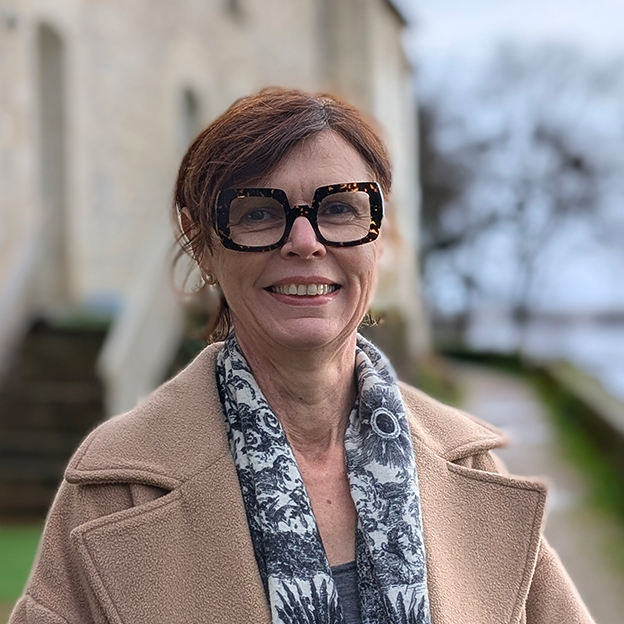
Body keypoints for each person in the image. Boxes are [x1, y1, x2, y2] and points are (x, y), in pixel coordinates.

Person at [10, 88, 594, 624]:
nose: (305, 241)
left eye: (339, 209)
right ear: (203, 245)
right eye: (258, 213)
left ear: (380, 239)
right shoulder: (114, 488)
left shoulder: (468, 467)